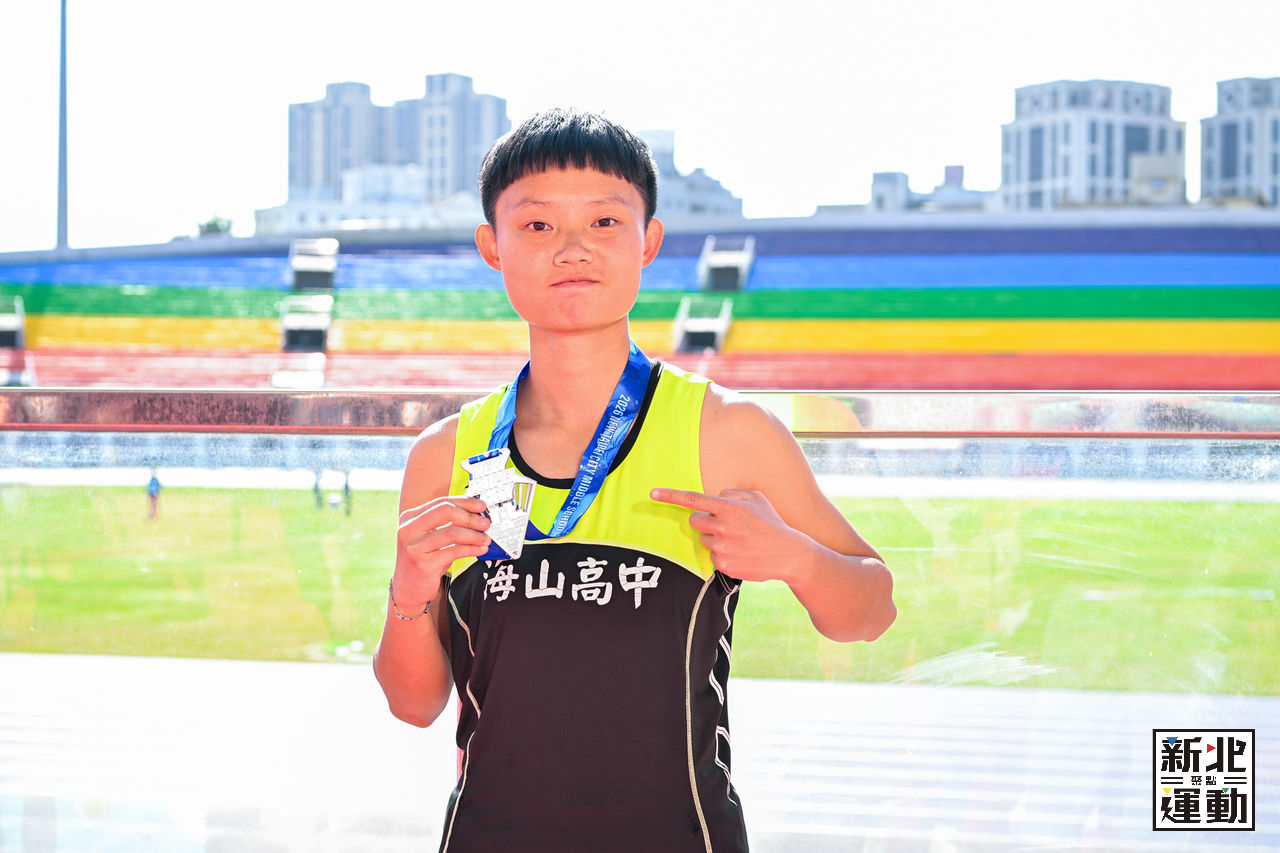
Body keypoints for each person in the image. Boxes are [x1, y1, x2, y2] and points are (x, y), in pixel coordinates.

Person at [373, 109, 895, 853]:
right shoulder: (446, 453)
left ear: (648, 240)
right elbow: (415, 703)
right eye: (538, 225)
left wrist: (796, 559)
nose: (573, 249)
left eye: (605, 221)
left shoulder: (725, 431)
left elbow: (871, 610)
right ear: (493, 247)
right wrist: (409, 582)